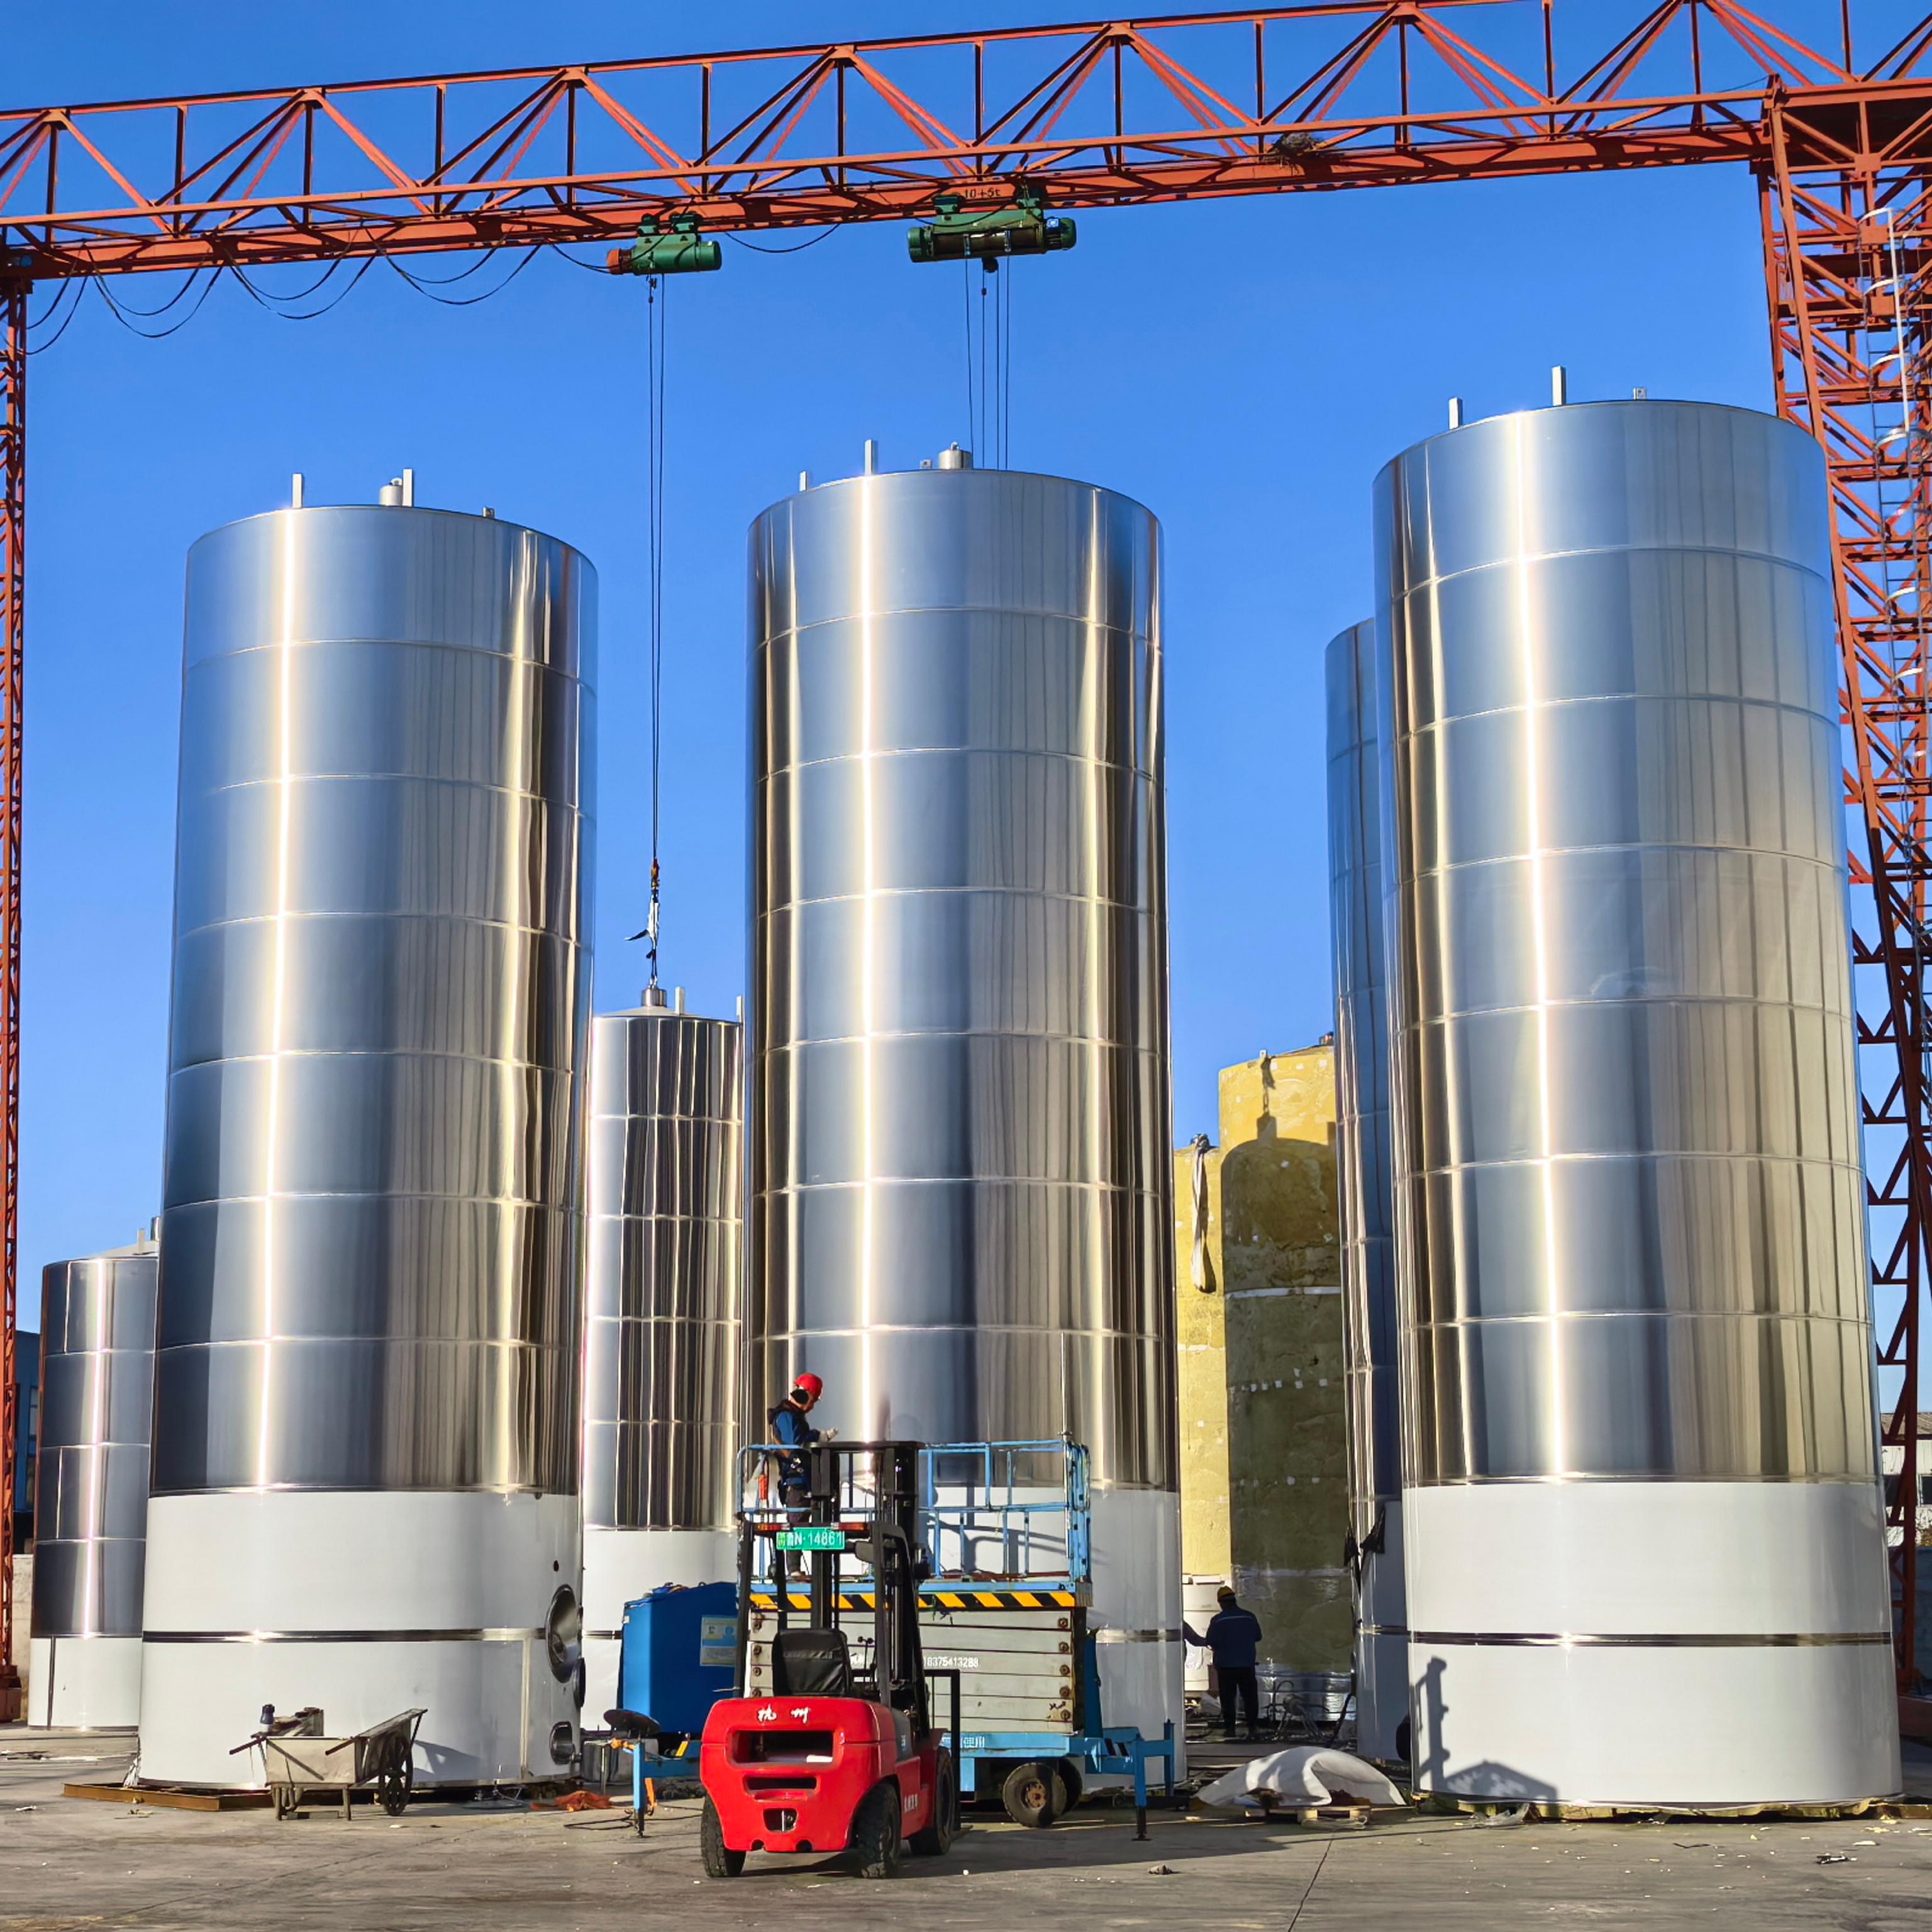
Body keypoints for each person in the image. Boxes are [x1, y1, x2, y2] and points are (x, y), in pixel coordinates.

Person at [767, 1372, 836, 1578]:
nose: (813, 1406)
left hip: (805, 1479)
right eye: (813, 1400)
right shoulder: (786, 1416)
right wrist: (817, 1436)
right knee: (797, 1523)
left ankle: (818, 1568)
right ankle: (794, 1570)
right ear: (804, 1395)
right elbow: (794, 1442)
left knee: (815, 1522)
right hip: (795, 1480)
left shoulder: (793, 1416)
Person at [1185, 1585, 1265, 1741]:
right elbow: (1258, 1637)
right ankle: (1253, 1729)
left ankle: (1230, 1730)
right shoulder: (1249, 1617)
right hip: (1246, 1665)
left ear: (1221, 1603)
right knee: (1250, 1698)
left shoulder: (1218, 1620)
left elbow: (1211, 1641)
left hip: (1226, 1667)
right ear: (1234, 1600)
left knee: (1228, 1699)